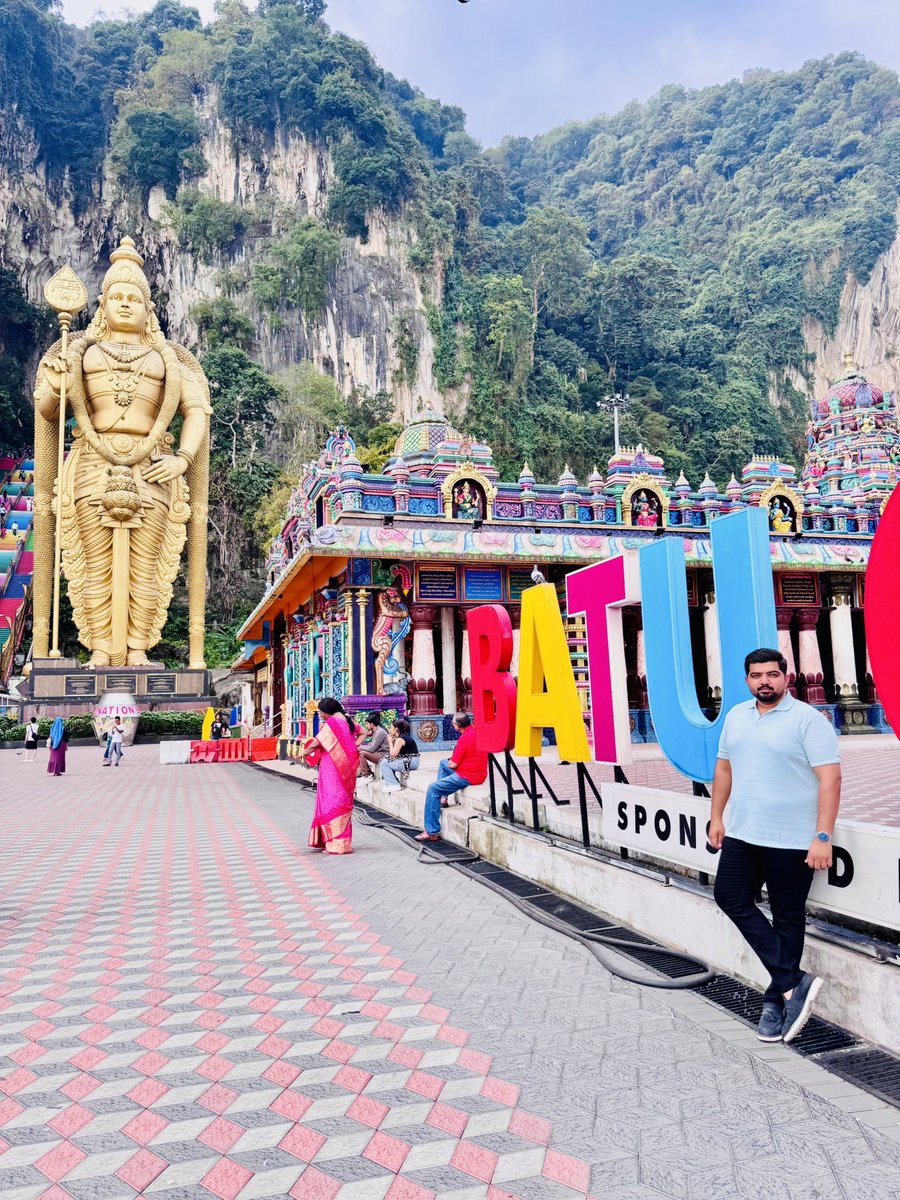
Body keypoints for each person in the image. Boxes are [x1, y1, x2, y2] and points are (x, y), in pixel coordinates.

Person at [710, 648, 841, 1044]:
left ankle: (776, 1000)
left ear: (786, 676)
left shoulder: (808, 721)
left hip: (792, 840)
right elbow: (724, 768)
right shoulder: (735, 716)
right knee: (729, 896)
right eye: (756, 675)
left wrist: (822, 836)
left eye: (772, 674)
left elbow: (830, 780)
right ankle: (792, 981)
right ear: (746, 680)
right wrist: (717, 817)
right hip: (744, 835)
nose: (764, 681)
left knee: (787, 916)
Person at [416, 713, 488, 842]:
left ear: (457, 726)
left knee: (433, 788)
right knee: (443, 763)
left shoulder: (464, 739)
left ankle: (432, 831)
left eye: (453, 723)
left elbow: (453, 764)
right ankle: (444, 799)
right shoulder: (477, 732)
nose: (453, 725)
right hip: (478, 772)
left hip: (468, 775)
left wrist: (452, 761)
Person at [303, 697, 360, 855]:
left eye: (321, 712)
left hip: (332, 767)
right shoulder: (348, 721)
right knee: (343, 800)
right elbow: (362, 733)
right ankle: (343, 843)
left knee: (331, 801)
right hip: (347, 767)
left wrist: (305, 752)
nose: (320, 715)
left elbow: (317, 742)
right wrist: (353, 747)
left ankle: (336, 844)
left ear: (328, 710)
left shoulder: (332, 723)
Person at [379, 719, 420, 792]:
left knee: (383, 763)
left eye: (391, 728)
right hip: (411, 761)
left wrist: (390, 742)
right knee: (384, 760)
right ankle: (392, 782)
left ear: (396, 729)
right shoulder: (401, 737)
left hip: (411, 762)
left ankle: (393, 784)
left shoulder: (400, 739)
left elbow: (393, 754)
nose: (390, 729)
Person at [357, 712, 389, 777]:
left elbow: (372, 749)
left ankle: (366, 775)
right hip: (378, 753)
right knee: (359, 751)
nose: (366, 726)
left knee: (361, 753)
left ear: (371, 724)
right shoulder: (375, 731)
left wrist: (360, 747)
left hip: (383, 755)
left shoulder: (380, 732)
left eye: (367, 724)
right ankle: (369, 774)